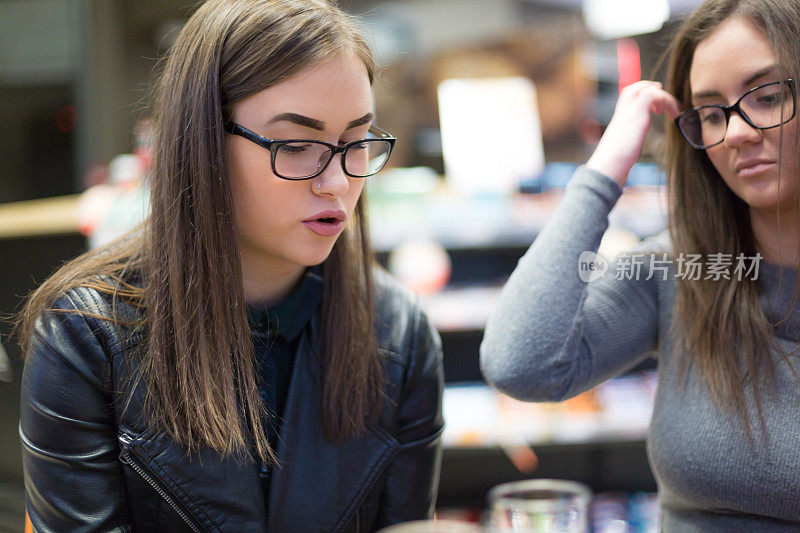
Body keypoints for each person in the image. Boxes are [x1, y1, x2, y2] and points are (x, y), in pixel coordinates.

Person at [18, 1, 444, 531]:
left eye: (356, 142)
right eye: (295, 146)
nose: (337, 182)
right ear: (203, 144)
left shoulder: (400, 334)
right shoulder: (87, 336)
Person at [480, 0, 800, 530]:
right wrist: (604, 170)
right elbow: (522, 364)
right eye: (713, 113)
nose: (738, 132)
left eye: (767, 98)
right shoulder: (681, 270)